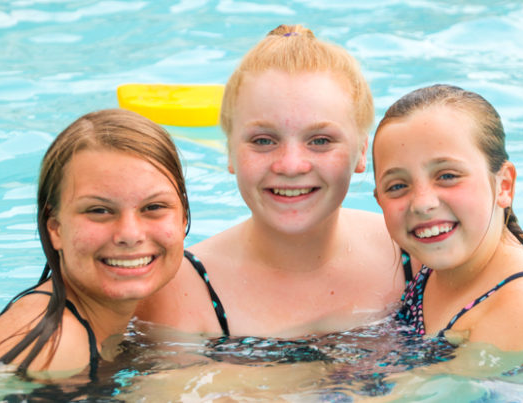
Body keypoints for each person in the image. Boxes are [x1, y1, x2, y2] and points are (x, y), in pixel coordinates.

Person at [137, 24, 407, 337]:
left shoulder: (409, 254)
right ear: (230, 153)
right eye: (264, 141)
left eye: (320, 140)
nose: (291, 165)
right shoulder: (183, 291)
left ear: (361, 152)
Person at [0, 109, 190, 379]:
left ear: (183, 218)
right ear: (56, 228)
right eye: (99, 210)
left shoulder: (93, 324)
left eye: (153, 207)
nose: (130, 234)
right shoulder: (53, 350)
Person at [372, 84, 523, 351]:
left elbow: (425, 392)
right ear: (379, 199)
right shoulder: (421, 265)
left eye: (447, 176)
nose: (423, 204)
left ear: (504, 185)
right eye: (398, 186)